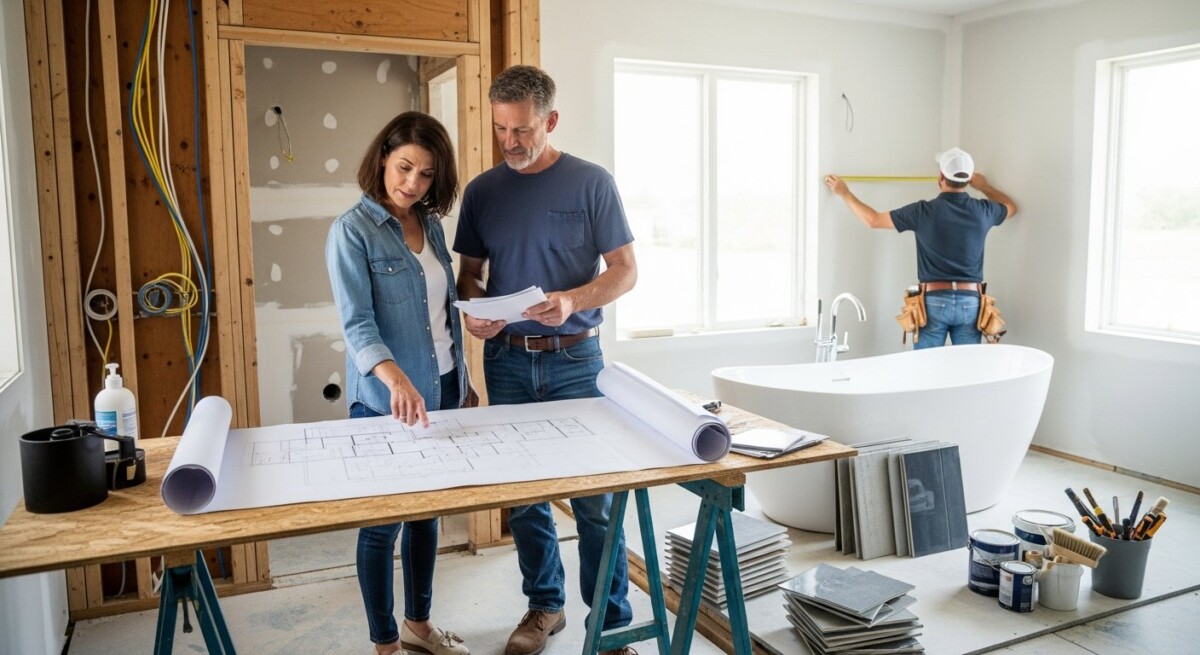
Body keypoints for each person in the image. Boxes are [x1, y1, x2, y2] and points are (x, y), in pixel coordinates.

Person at [453, 65, 638, 655]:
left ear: (550, 121)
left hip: (577, 361)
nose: (511, 141)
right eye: (502, 129)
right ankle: (544, 608)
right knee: (526, 498)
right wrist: (475, 312)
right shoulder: (483, 191)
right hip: (507, 361)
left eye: (523, 130)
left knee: (596, 504)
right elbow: (470, 277)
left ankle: (609, 627)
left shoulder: (592, 183)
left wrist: (573, 300)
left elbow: (626, 271)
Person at [326, 111, 471, 655]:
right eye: (404, 167)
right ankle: (385, 644)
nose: (411, 183)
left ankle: (418, 624)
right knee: (382, 526)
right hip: (385, 400)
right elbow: (357, 324)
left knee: (426, 515)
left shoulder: (430, 225)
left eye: (426, 174)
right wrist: (397, 380)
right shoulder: (352, 230)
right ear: (383, 157)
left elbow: (444, 313)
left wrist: (466, 378)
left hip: (445, 390)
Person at [824, 147, 1018, 348]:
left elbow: (872, 220)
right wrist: (984, 187)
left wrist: (844, 193)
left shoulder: (923, 211)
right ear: (968, 180)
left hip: (933, 301)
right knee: (967, 371)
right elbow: (1011, 207)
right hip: (971, 302)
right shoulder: (983, 211)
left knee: (926, 372)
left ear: (940, 177)